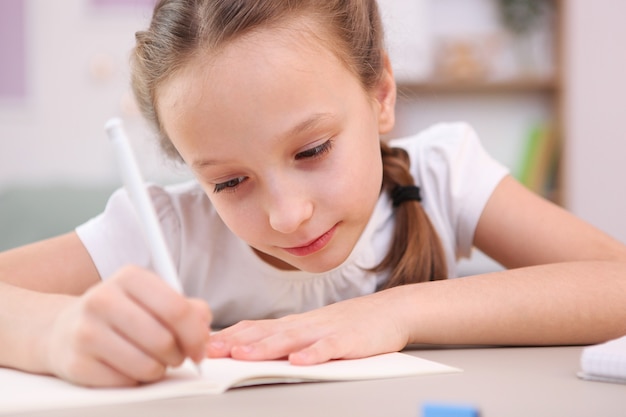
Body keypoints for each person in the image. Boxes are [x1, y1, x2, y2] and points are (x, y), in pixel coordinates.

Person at [2, 0, 626, 388]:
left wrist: (394, 312)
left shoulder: (444, 172)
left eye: (311, 151)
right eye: (228, 181)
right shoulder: (168, 228)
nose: (286, 214)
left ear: (380, 93)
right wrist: (56, 334)